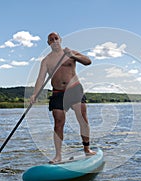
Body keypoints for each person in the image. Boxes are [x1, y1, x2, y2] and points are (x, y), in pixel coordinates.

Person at [30, 32, 96, 163]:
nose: (54, 41)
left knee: (82, 119)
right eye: (51, 40)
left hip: (74, 89)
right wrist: (34, 94)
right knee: (58, 123)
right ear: (48, 43)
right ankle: (58, 156)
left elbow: (88, 62)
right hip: (58, 93)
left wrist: (73, 56)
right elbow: (40, 79)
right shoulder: (46, 61)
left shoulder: (70, 52)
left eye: (56, 38)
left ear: (60, 40)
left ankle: (87, 149)